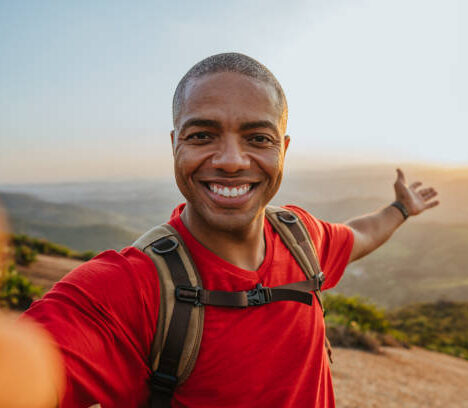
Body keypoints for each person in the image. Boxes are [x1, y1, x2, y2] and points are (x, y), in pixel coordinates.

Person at [4, 53, 439, 407]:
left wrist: (401, 207)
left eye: (258, 138)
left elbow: (360, 234)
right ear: (175, 143)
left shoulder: (300, 236)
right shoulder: (128, 289)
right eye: (202, 135)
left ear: (283, 149)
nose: (231, 159)